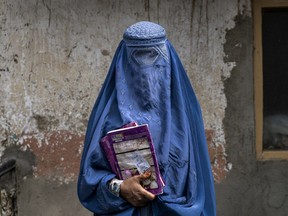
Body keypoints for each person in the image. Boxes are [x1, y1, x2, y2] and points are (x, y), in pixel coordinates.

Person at [77, 21, 216, 216]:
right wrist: (120, 187)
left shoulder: (186, 116)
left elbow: (199, 182)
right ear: (123, 61)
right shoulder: (107, 114)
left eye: (153, 56)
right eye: (137, 57)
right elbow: (89, 180)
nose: (145, 70)